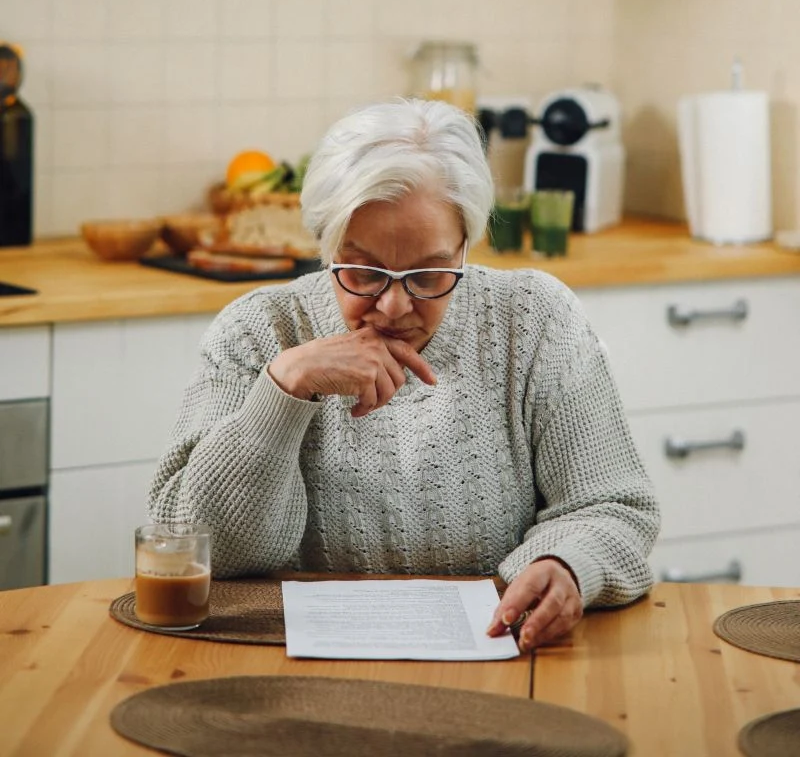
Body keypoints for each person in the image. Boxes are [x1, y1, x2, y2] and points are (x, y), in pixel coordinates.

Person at [149, 98, 659, 651]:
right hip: (285, 666)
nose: (393, 307)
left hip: (499, 653)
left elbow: (614, 506)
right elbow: (190, 544)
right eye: (364, 272)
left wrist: (567, 563)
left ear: (465, 245)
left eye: (429, 273)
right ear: (325, 247)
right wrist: (284, 388)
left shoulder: (534, 319)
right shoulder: (256, 332)